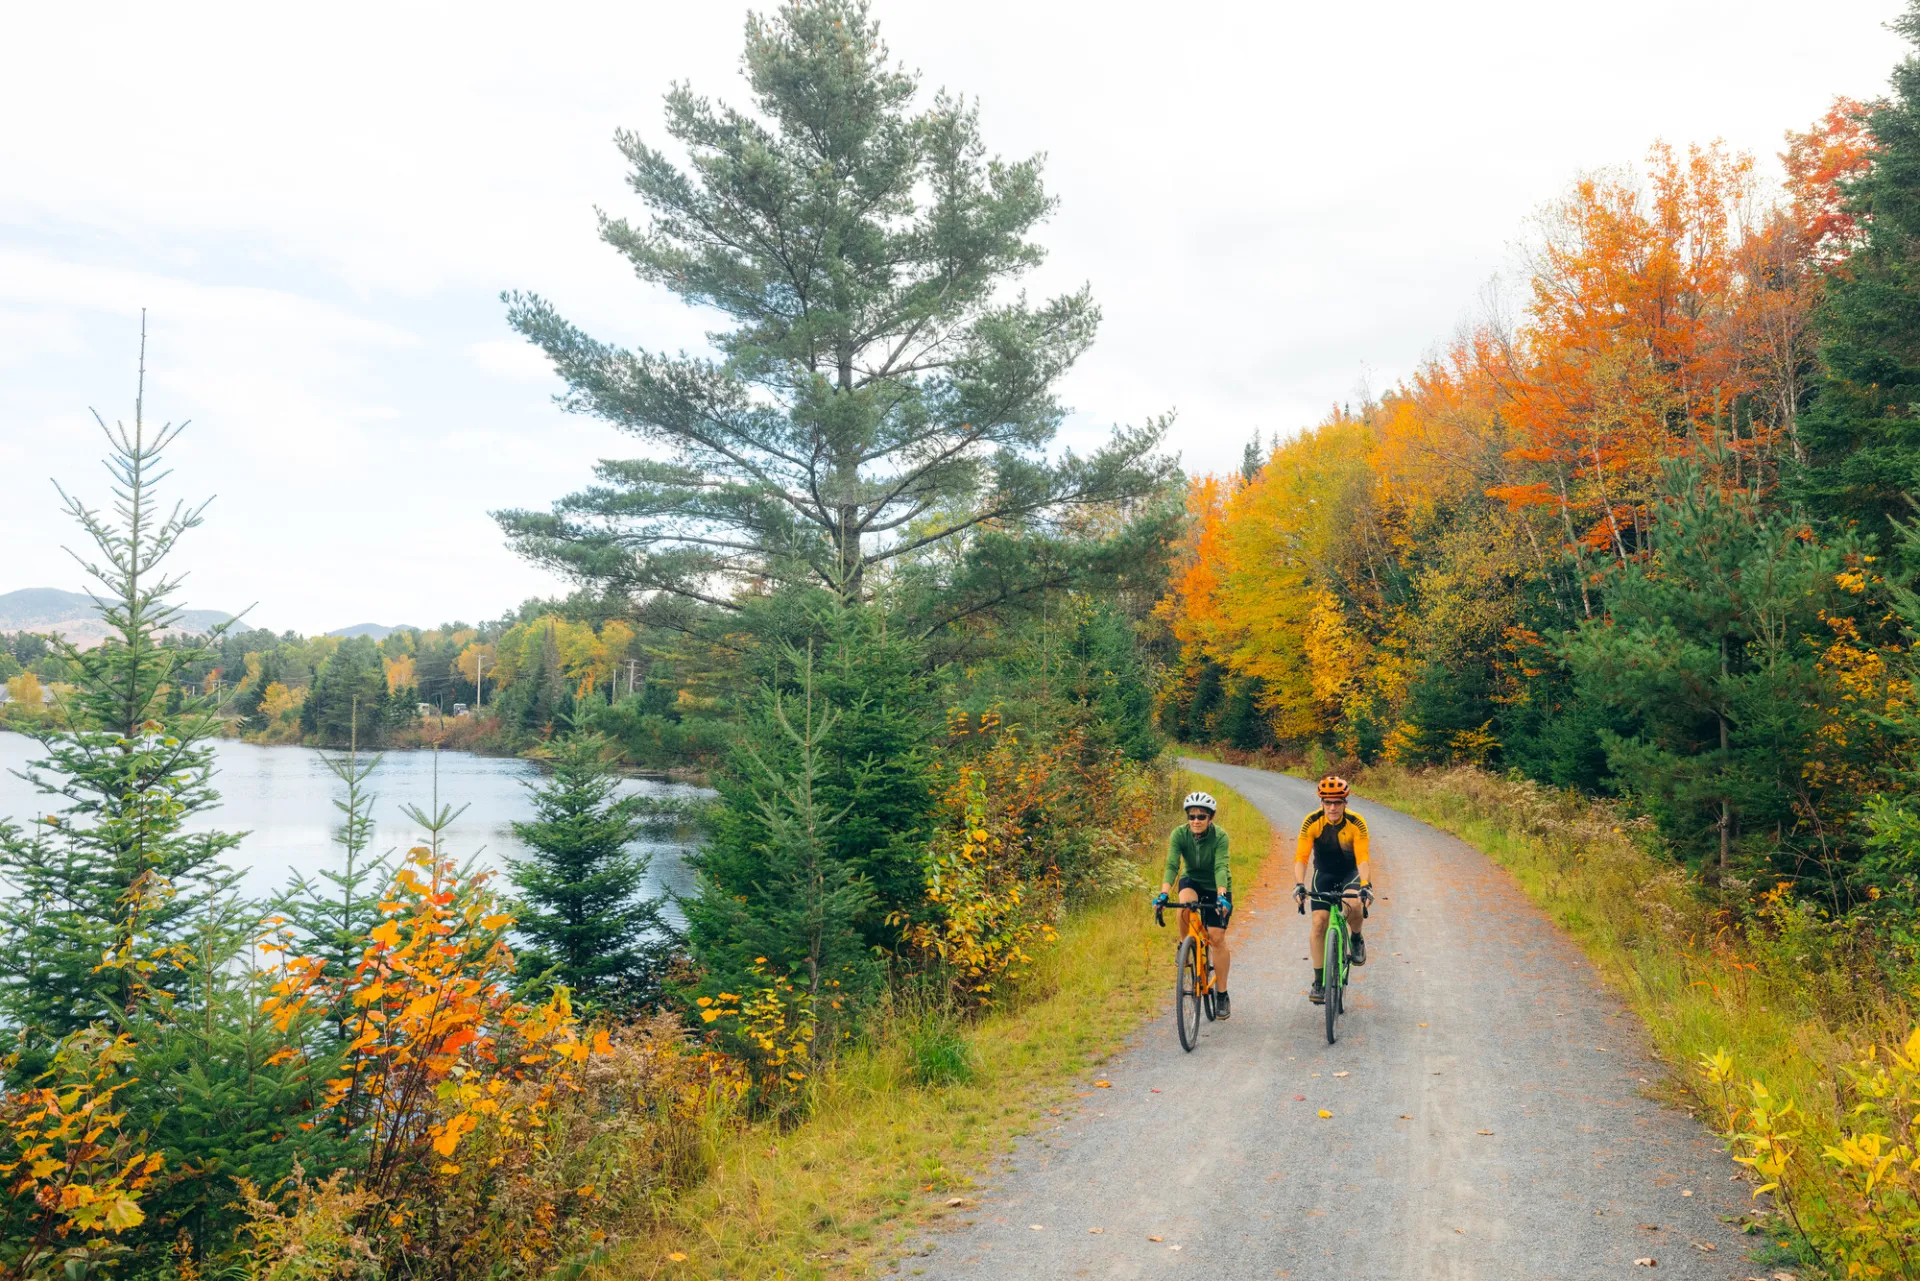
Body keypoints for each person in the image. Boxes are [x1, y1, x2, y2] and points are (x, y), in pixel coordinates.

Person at [1293, 775, 1373, 1005]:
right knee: (1319, 921)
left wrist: (1365, 885)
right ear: (1321, 803)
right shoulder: (1311, 822)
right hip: (1324, 874)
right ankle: (1319, 981)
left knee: (1354, 903)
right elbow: (1301, 857)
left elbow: (1363, 858)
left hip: (1351, 873)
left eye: (1338, 802)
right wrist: (1299, 883)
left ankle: (1356, 937)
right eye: (1328, 802)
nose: (1333, 807)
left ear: (1345, 803)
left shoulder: (1357, 822)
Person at [1156, 790, 1234, 1018]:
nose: (1196, 821)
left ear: (1211, 817)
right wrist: (1163, 894)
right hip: (1192, 880)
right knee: (1183, 907)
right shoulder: (1179, 835)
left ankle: (1222, 994)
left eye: (1201, 816)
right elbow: (1172, 865)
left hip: (1217, 885)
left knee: (1216, 937)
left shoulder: (1220, 836)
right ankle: (1185, 945)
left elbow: (1221, 866)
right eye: (1192, 817)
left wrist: (1221, 895)